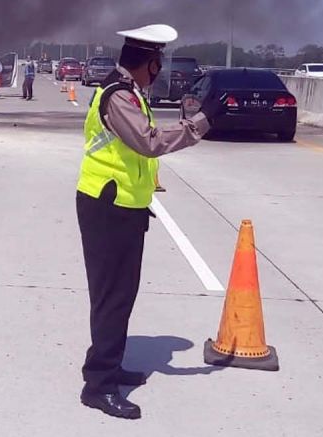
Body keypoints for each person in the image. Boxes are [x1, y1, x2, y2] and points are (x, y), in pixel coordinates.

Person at [75, 24, 227, 420]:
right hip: (108, 207)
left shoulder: (126, 91)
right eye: (158, 63)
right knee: (112, 297)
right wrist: (200, 124)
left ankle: (108, 364)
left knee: (120, 295)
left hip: (122, 207)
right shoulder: (120, 97)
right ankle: (99, 386)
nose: (158, 71)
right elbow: (149, 142)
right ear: (152, 63)